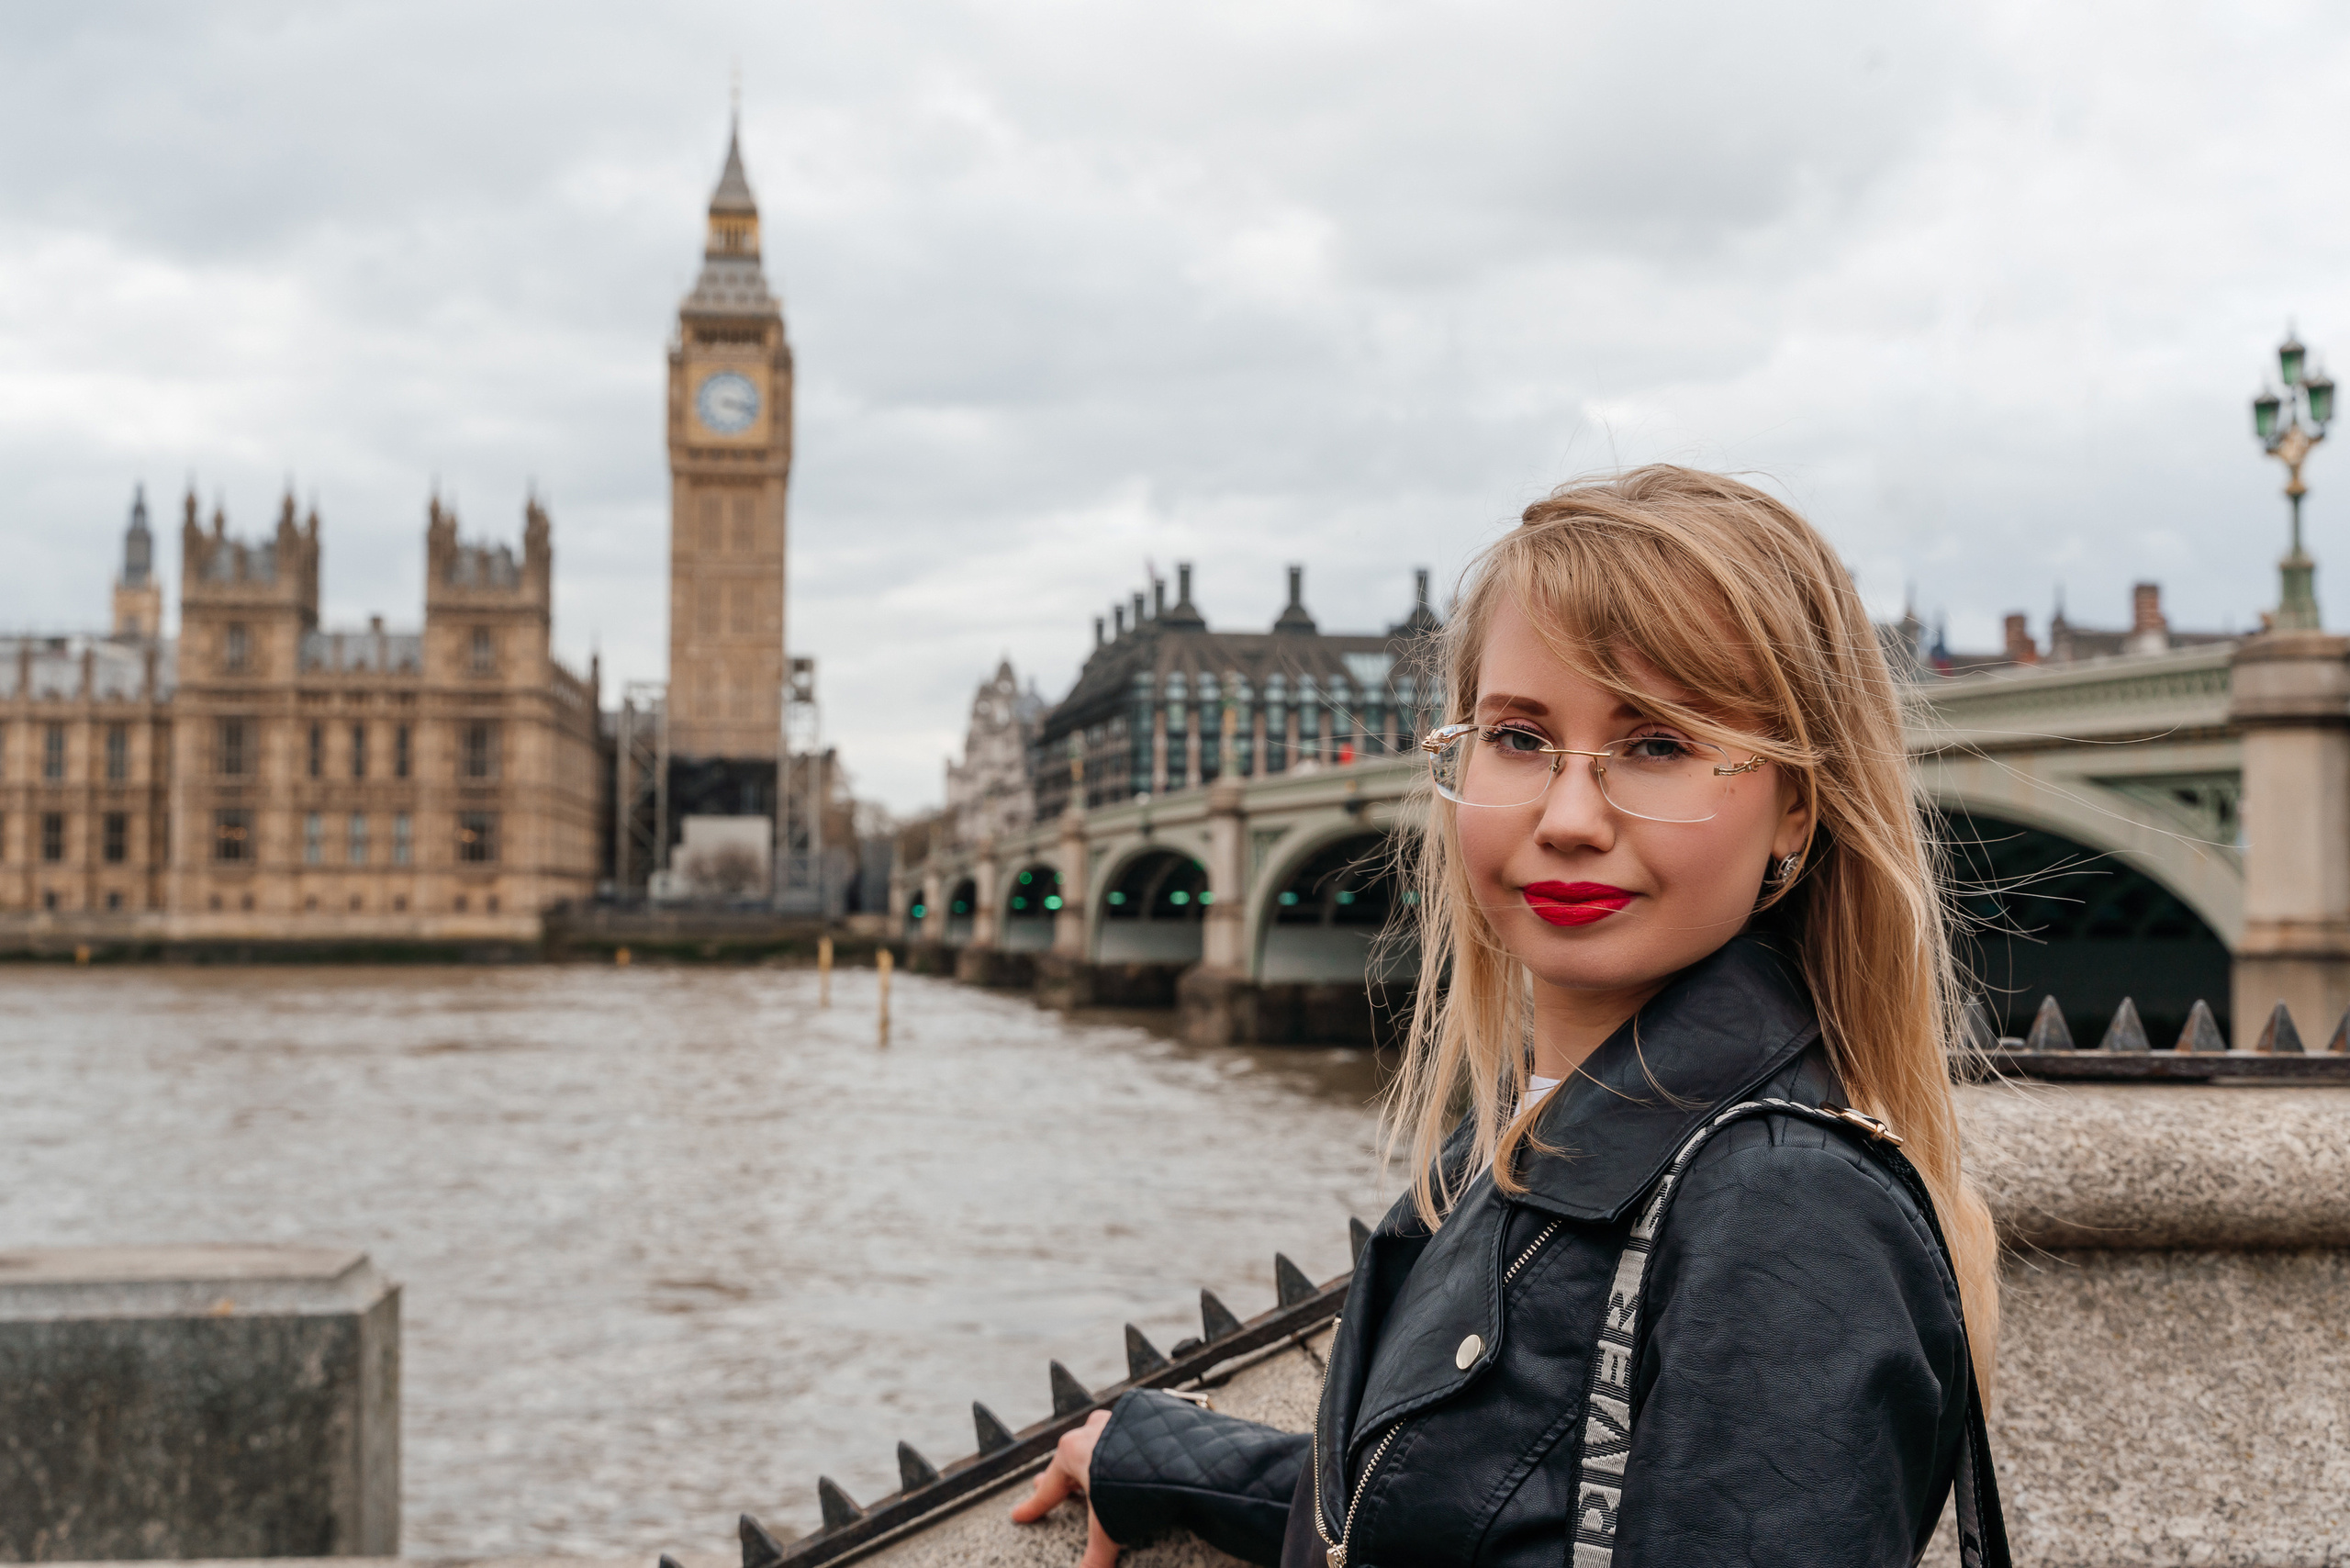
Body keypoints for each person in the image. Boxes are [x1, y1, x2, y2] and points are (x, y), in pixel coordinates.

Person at [1010, 466, 2004, 1567]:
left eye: (1657, 743)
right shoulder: (1535, 1127)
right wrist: (1168, 1460)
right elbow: (1489, 1499)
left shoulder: (1784, 1213)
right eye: (1520, 738)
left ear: (1797, 807)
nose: (1568, 816)